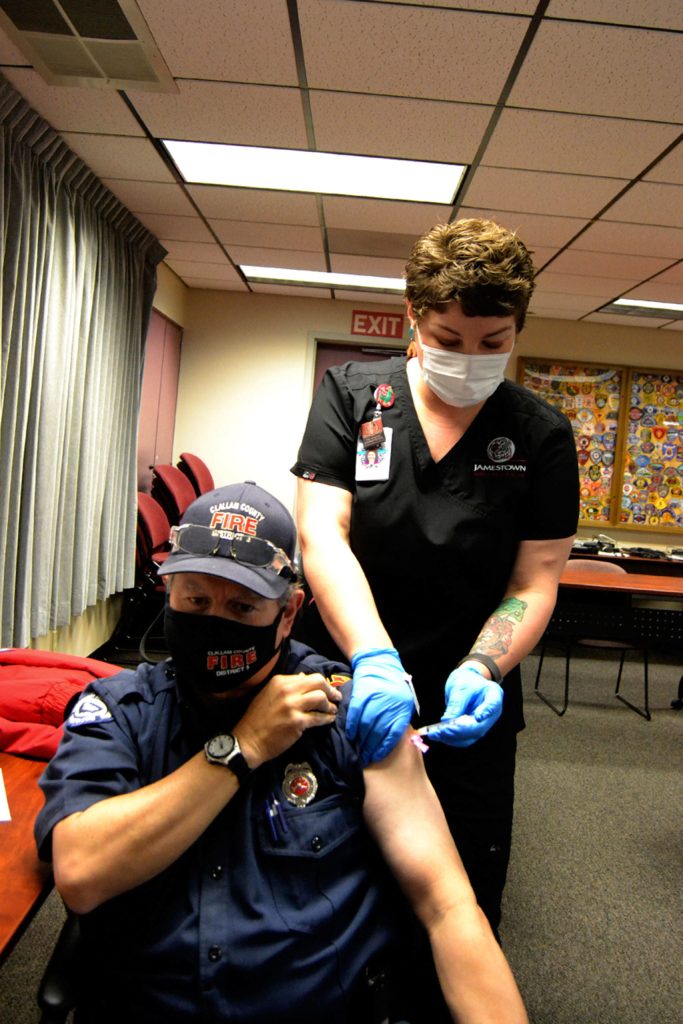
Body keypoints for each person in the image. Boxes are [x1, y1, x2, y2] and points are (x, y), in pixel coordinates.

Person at [34, 481, 528, 1024]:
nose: (214, 620)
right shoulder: (119, 712)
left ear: (289, 613)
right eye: (195, 600)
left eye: (243, 606)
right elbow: (80, 873)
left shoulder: (349, 713)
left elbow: (450, 908)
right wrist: (241, 749)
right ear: (168, 593)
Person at [292, 218, 580, 933]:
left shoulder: (539, 434)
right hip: (344, 675)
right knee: (310, 883)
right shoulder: (354, 397)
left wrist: (483, 668)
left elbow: (534, 580)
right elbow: (321, 536)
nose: (471, 358)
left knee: (457, 901)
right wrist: (374, 656)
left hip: (465, 699)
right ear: (412, 319)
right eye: (449, 340)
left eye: (494, 343)